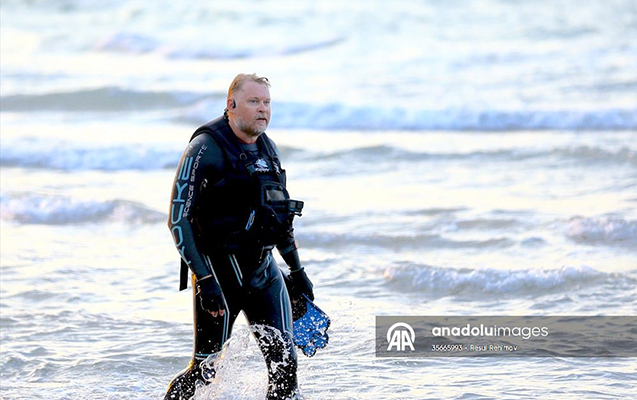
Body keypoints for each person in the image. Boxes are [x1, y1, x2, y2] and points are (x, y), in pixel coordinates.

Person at [165, 73, 314, 400]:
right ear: (231, 105)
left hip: (264, 273)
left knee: (285, 364)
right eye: (254, 101)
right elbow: (178, 220)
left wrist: (297, 271)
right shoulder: (204, 148)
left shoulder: (269, 149)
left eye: (267, 102)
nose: (263, 109)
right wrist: (204, 280)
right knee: (205, 371)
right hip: (218, 275)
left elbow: (280, 216)